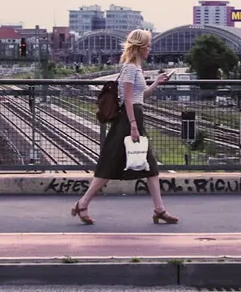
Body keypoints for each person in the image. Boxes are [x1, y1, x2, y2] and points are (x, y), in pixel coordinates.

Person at [71, 28, 179, 225]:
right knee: (111, 164)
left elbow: (140, 96)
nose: (150, 48)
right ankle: (83, 203)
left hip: (134, 116)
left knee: (150, 165)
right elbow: (128, 100)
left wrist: (157, 83)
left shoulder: (137, 68)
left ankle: (159, 209)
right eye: (148, 44)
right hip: (128, 120)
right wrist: (133, 126)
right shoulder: (130, 68)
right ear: (139, 47)